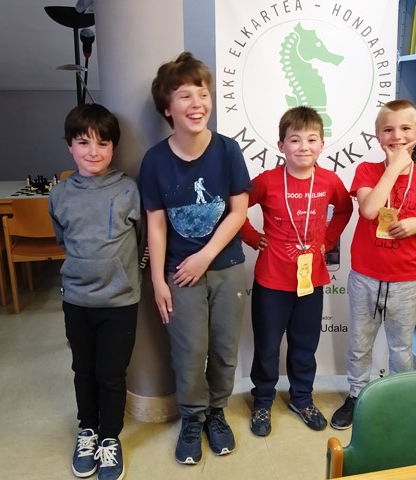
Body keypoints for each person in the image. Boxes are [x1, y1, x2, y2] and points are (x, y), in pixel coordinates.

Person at [138, 52, 251, 465]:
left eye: (202, 93)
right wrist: (158, 280)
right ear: (168, 108)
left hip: (225, 266)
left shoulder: (227, 150)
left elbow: (238, 212)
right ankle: (192, 418)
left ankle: (216, 413)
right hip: (179, 274)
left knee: (223, 348)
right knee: (188, 351)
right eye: (185, 95)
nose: (197, 103)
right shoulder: (155, 160)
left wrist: (205, 256)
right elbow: (156, 224)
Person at [330, 100, 416, 430]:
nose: (397, 136)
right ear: (378, 136)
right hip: (366, 277)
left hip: (406, 282)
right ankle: (356, 394)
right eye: (388, 130)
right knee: (360, 344)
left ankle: (399, 398)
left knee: (401, 348)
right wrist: (394, 168)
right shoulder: (368, 171)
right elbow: (369, 210)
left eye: (406, 128)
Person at [240, 106, 353, 436]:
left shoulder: (329, 180)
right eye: (295, 140)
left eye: (312, 139)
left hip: (311, 281)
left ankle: (301, 398)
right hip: (271, 281)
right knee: (267, 346)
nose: (304, 146)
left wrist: (327, 240)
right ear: (281, 145)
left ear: (322, 144)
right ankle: (263, 400)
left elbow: (344, 210)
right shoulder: (267, 181)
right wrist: (252, 237)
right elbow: (236, 207)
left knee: (305, 345)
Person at [49, 104, 141, 480]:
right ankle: (87, 429)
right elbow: (63, 240)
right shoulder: (59, 194)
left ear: (113, 148)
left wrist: (122, 272)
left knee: (111, 374)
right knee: (83, 370)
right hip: (76, 300)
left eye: (103, 143)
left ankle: (109, 438)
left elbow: (141, 240)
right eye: (83, 142)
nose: (93, 151)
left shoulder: (128, 189)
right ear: (70, 146)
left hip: (119, 301)